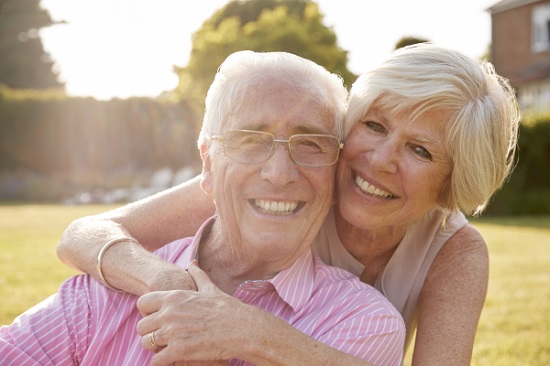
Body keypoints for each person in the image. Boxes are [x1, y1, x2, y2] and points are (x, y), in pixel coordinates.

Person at [56, 43, 521, 366]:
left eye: (420, 150)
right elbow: (83, 235)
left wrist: (248, 330)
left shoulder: (454, 253)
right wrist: (164, 280)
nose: (379, 161)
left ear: (451, 181)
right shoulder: (289, 187)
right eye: (375, 126)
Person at [0, 51, 405, 366]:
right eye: (251, 140)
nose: (281, 173)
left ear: (335, 170)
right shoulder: (111, 284)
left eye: (311, 144)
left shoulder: (361, 324)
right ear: (208, 163)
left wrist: (240, 334)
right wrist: (164, 282)